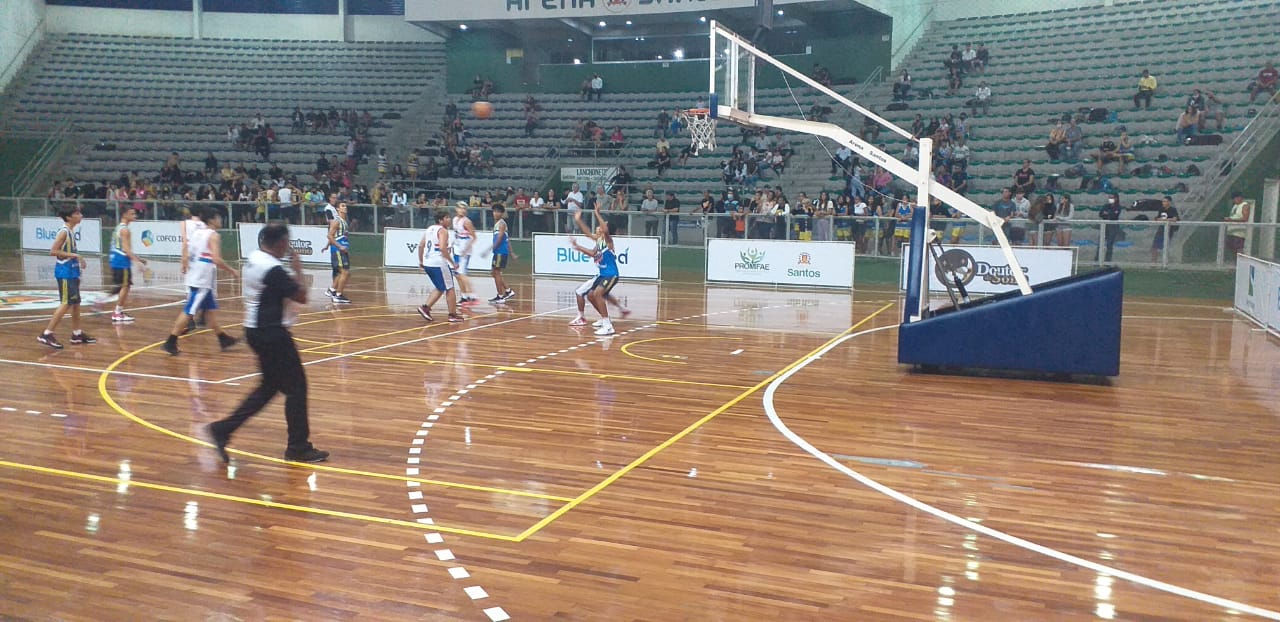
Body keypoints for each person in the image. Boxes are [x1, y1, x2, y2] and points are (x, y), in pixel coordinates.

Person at [207, 222, 328, 464]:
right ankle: (297, 447)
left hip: (255, 330)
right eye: (287, 242)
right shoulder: (273, 269)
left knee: (268, 388)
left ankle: (222, 429)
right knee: (296, 388)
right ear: (281, 243)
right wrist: (298, 269)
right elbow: (301, 296)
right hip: (272, 334)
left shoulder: (254, 258)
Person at [161, 207, 239, 355]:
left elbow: (189, 251)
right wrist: (232, 270)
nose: (220, 220)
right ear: (211, 220)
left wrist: (185, 264)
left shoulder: (197, 233)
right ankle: (170, 341)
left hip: (195, 272)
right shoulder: (213, 235)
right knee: (190, 310)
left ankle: (223, 338)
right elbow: (216, 259)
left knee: (209, 311)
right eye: (218, 217)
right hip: (202, 277)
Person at [38, 205, 95, 349]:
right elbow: (53, 251)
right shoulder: (64, 232)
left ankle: (76, 334)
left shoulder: (70, 231)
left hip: (72, 271)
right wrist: (75, 255)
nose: (80, 215)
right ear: (69, 217)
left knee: (76, 303)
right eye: (77, 213)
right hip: (64, 273)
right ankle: (46, 334)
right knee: (66, 303)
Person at [568, 210, 630, 328]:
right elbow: (589, 243)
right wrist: (578, 220)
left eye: (601, 225)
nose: (598, 227)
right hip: (602, 274)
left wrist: (597, 213)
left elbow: (605, 230)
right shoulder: (599, 241)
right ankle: (604, 318)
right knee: (591, 295)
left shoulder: (608, 241)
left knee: (597, 294)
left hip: (611, 274)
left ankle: (607, 325)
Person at [418, 209, 464, 323]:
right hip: (438, 263)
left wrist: (421, 261)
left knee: (440, 287)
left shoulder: (429, 229)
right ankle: (452, 314)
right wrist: (453, 263)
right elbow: (443, 248)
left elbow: (420, 245)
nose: (449, 220)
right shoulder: (443, 230)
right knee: (450, 288)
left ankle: (425, 308)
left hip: (428, 263)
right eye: (447, 217)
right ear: (441, 220)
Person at [107, 205, 148, 323]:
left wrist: (139, 259)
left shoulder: (119, 227)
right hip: (122, 261)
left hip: (116, 260)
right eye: (132, 214)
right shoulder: (125, 230)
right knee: (125, 286)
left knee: (121, 286)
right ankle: (117, 312)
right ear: (124, 214)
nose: (134, 216)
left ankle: (108, 304)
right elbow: (126, 249)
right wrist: (137, 262)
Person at [325, 202, 353, 304]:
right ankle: (338, 295)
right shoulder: (336, 221)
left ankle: (332, 290)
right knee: (345, 272)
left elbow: (336, 236)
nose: (345, 208)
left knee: (342, 273)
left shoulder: (344, 222)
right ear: (337, 209)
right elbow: (330, 235)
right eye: (342, 206)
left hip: (343, 250)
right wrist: (340, 246)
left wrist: (327, 245)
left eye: (345, 206)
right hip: (337, 250)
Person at [451, 202, 479, 304]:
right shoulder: (454, 220)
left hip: (465, 251)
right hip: (457, 249)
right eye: (460, 208)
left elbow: (474, 237)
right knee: (457, 274)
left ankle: (473, 295)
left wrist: (466, 249)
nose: (462, 210)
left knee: (462, 273)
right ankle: (464, 296)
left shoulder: (467, 221)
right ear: (456, 209)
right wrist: (452, 245)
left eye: (464, 209)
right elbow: (456, 234)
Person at [488, 204, 516, 303]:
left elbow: (500, 238)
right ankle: (508, 291)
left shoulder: (501, 224)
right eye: (494, 211)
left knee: (496, 273)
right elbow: (507, 240)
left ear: (502, 213)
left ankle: (500, 296)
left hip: (500, 252)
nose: (495, 213)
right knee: (494, 273)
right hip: (499, 251)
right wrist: (512, 253)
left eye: (498, 211)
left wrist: (491, 248)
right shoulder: (498, 224)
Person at [1151, 195, 1180, 263]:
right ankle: (1153, 262)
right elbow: (1157, 218)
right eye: (1163, 201)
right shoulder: (1161, 209)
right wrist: (1160, 220)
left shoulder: (1172, 210)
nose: (1163, 203)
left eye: (1165, 201)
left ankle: (1166, 262)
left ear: (1169, 202)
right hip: (1161, 230)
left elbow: (1175, 219)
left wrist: (1166, 220)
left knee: (1165, 247)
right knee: (1154, 247)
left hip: (1169, 231)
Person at [1225, 191, 1251, 260]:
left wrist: (1231, 220)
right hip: (1231, 232)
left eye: (1235, 198)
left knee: (1238, 249)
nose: (1234, 200)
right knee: (1231, 249)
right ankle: (1236, 265)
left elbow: (1245, 218)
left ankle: (1243, 264)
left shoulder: (1245, 205)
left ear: (1239, 197)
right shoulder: (1235, 206)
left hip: (1239, 233)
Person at [1100, 192, 1122, 263]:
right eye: (1109, 198)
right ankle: (1098, 261)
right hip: (1105, 226)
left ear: (1116, 198)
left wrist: (1107, 213)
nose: (1110, 199)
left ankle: (1107, 261)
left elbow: (1114, 215)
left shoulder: (1118, 207)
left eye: (1112, 198)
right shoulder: (1106, 206)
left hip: (1113, 226)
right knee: (1100, 243)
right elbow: (1101, 214)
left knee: (1109, 244)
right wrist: (1108, 214)